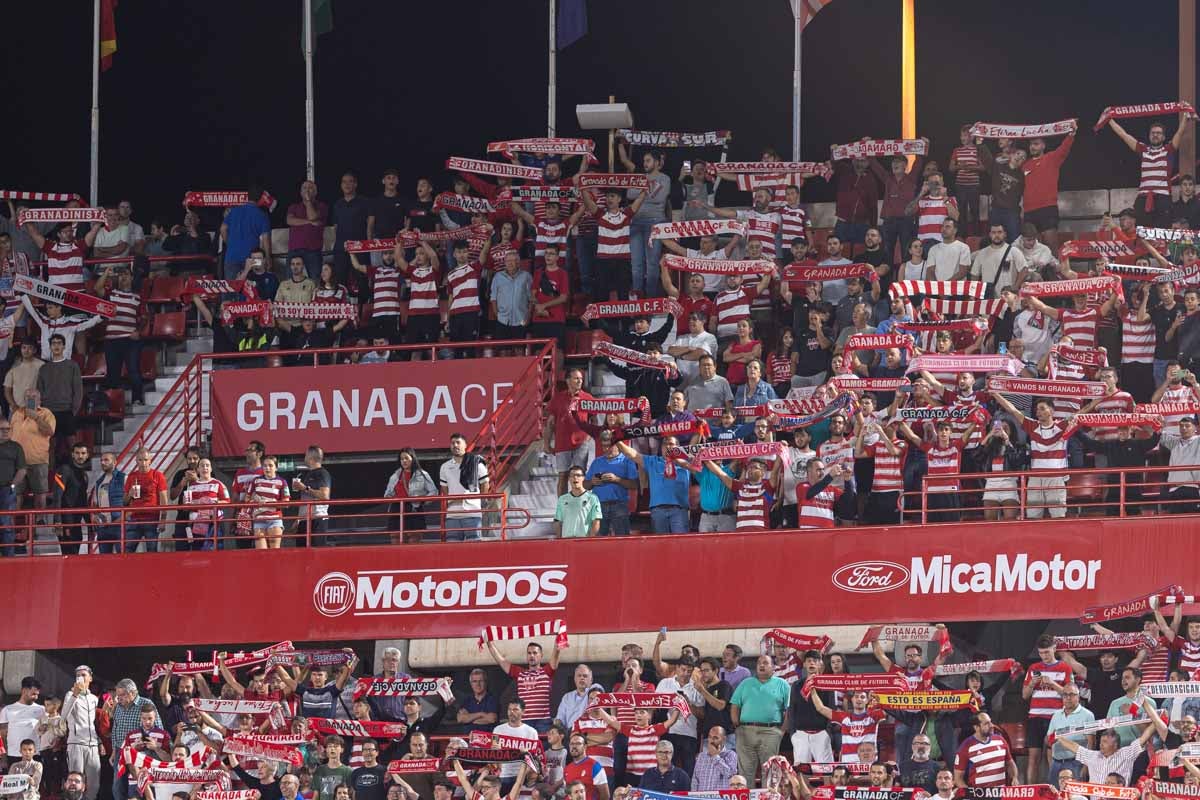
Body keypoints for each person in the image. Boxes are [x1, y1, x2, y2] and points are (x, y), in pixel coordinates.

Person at [1055, 696, 1165, 786]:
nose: (1101, 744)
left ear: (1115, 745)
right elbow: (1075, 747)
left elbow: (1144, 737)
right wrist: (1058, 737)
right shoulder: (1093, 756)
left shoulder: (1126, 754)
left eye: (1105, 742)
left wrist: (1159, 721)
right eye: (1101, 741)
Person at [1105, 112, 1191, 227]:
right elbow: (1124, 135)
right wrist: (1109, 120)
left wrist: (1185, 116)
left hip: (1162, 198)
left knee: (1161, 232)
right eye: (1153, 133)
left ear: (1164, 137)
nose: (1155, 135)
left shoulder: (1168, 149)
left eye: (1158, 133)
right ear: (1149, 135)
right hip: (1143, 198)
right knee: (1142, 232)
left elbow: (1179, 132)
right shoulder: (1143, 149)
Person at [730, 654, 790, 784]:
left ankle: (767, 795)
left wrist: (781, 731)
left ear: (773, 667)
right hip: (745, 731)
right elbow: (735, 705)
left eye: (765, 663)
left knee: (769, 771)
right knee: (745, 771)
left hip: (771, 732)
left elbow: (789, 710)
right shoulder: (746, 683)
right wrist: (737, 726)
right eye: (759, 663)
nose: (761, 665)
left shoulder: (783, 684)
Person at [486, 640, 561, 734]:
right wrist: (489, 644)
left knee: (544, 743)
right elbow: (501, 661)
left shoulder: (546, 671)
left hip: (543, 722)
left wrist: (558, 641)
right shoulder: (520, 673)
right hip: (524, 721)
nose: (532, 655)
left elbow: (556, 655)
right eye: (529, 653)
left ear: (541, 655)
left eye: (535, 653)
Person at [35, 333, 82, 463]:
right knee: (50, 446)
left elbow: (78, 390)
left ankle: (77, 470)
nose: (56, 346)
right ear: (50, 347)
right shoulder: (44, 368)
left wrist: (74, 410)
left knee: (73, 445)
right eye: (53, 343)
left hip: (67, 410)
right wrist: (42, 412)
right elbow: (39, 391)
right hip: (49, 412)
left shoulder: (72, 366)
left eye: (59, 343)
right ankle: (50, 472)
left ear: (64, 346)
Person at [584, 430, 638, 536]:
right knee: (599, 541)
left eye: (609, 446)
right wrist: (592, 482)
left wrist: (616, 479)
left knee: (622, 539)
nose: (606, 449)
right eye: (603, 446)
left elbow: (635, 485)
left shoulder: (626, 460)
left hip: (619, 505)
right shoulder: (597, 462)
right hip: (599, 505)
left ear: (617, 445)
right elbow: (585, 485)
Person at [439, 432, 491, 541]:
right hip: (452, 514)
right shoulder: (444, 467)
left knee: (474, 545)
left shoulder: (476, 463)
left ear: (465, 445)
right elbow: (444, 489)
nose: (455, 445)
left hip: (472, 512)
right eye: (452, 443)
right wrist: (453, 499)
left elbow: (485, 483)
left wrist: (481, 501)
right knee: (452, 545)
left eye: (458, 442)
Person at [11, 389, 54, 517]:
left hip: (38, 461)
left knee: (40, 495)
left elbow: (49, 431)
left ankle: (40, 522)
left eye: (34, 396)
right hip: (17, 462)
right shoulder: (16, 413)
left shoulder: (46, 413)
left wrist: (36, 417)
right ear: (24, 399)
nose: (30, 398)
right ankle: (13, 524)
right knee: (15, 495)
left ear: (39, 399)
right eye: (27, 396)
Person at [384, 449, 437, 544]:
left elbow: (434, 491)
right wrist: (391, 498)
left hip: (414, 509)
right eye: (401, 459)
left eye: (406, 458)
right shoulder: (395, 476)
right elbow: (387, 494)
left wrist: (422, 501)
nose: (404, 461)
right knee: (396, 541)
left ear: (413, 459)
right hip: (396, 510)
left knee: (414, 541)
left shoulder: (422, 474)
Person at [219, 185, 272, 280]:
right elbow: (266, 240)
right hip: (252, 258)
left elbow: (223, 228)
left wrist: (230, 244)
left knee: (233, 287)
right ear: (261, 199)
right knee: (252, 288)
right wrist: (268, 259)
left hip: (231, 257)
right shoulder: (262, 215)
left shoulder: (234, 211)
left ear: (247, 196)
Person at [952, 713, 1017, 788]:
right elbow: (958, 779)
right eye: (986, 723)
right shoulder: (966, 747)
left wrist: (1014, 777)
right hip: (979, 793)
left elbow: (1010, 763)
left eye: (991, 722)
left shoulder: (1001, 740)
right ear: (976, 727)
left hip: (1001, 792)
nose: (991, 725)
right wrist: (969, 793)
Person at [123, 448, 168, 553]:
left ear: (150, 460)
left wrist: (163, 521)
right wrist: (130, 494)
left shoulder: (158, 475)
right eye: (140, 460)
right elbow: (124, 502)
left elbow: (164, 500)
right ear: (136, 461)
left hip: (151, 518)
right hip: (134, 518)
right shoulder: (131, 476)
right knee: (127, 550)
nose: (143, 463)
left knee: (152, 551)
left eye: (145, 460)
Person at [62, 669, 98, 800]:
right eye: (78, 675)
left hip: (92, 745)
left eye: (83, 675)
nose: (80, 677)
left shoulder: (94, 698)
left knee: (94, 783)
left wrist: (99, 742)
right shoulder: (70, 694)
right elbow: (63, 715)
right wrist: (75, 695)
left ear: (90, 678)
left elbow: (93, 723)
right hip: (76, 743)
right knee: (75, 781)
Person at [490, 700, 541, 793]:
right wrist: (495, 750)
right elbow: (492, 754)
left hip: (524, 775)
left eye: (515, 709)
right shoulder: (497, 730)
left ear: (523, 712)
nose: (511, 712)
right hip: (503, 775)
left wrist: (527, 753)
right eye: (509, 709)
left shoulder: (532, 732)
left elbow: (535, 758)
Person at [287, 180, 329, 280]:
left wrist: (308, 201)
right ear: (300, 192)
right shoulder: (294, 207)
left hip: (313, 250)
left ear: (315, 192)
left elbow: (312, 216)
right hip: (294, 249)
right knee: (291, 280)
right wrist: (309, 222)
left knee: (315, 280)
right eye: (304, 188)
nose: (307, 190)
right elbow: (290, 221)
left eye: (310, 188)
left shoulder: (321, 206)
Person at [293, 445, 332, 547]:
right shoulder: (309, 474)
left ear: (310, 457)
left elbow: (325, 495)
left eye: (305, 455)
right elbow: (305, 499)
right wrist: (299, 519)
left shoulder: (322, 473)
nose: (304, 457)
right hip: (305, 520)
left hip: (317, 519)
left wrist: (304, 488)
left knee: (316, 552)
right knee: (301, 552)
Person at [88, 450, 125, 554]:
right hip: (103, 526)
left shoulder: (123, 478)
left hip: (119, 525)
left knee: (122, 558)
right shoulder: (99, 482)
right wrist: (95, 516)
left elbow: (131, 502)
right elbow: (95, 504)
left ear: (115, 462)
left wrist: (123, 518)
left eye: (106, 460)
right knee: (104, 558)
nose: (102, 463)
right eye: (101, 460)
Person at [554, 466, 602, 538]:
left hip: (584, 540)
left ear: (583, 478)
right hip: (566, 540)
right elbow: (558, 521)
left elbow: (596, 521)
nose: (575, 478)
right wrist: (559, 540)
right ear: (569, 478)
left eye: (578, 475)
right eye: (572, 475)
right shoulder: (562, 499)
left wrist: (590, 540)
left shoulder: (592, 498)